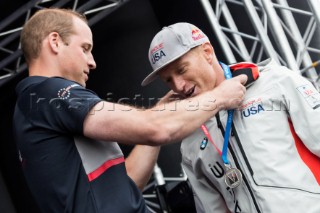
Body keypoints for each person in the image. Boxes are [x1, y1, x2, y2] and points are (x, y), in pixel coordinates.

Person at [13, 9, 247, 213]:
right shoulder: (46, 93)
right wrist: (220, 96)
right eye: (85, 48)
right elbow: (155, 128)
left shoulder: (36, 105)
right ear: (54, 42)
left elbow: (127, 185)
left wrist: (159, 114)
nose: (92, 61)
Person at [141, 22, 320, 213]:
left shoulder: (274, 83)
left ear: (207, 52)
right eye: (168, 80)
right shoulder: (189, 141)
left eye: (182, 70)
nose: (178, 85)